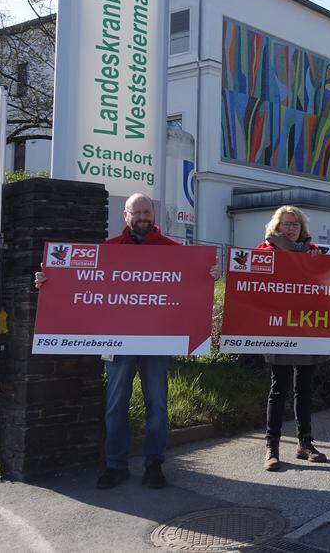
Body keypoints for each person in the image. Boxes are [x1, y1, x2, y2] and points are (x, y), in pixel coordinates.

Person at [34, 193, 222, 490]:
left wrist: (209, 275)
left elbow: (193, 287)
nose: (143, 217)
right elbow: (80, 286)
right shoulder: (109, 250)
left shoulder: (174, 251)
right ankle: (115, 465)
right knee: (115, 404)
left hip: (158, 341)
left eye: (147, 212)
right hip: (117, 342)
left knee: (157, 405)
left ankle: (154, 465)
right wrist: (50, 282)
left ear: (154, 215)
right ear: (126, 215)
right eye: (137, 213)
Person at [257, 205, 329, 471]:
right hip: (279, 328)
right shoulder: (266, 251)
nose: (290, 228)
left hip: (307, 327)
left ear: (302, 229)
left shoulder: (315, 254)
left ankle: (305, 443)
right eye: (286, 224)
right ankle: (271, 447)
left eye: (295, 224)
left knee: (304, 389)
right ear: (277, 226)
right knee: (279, 388)